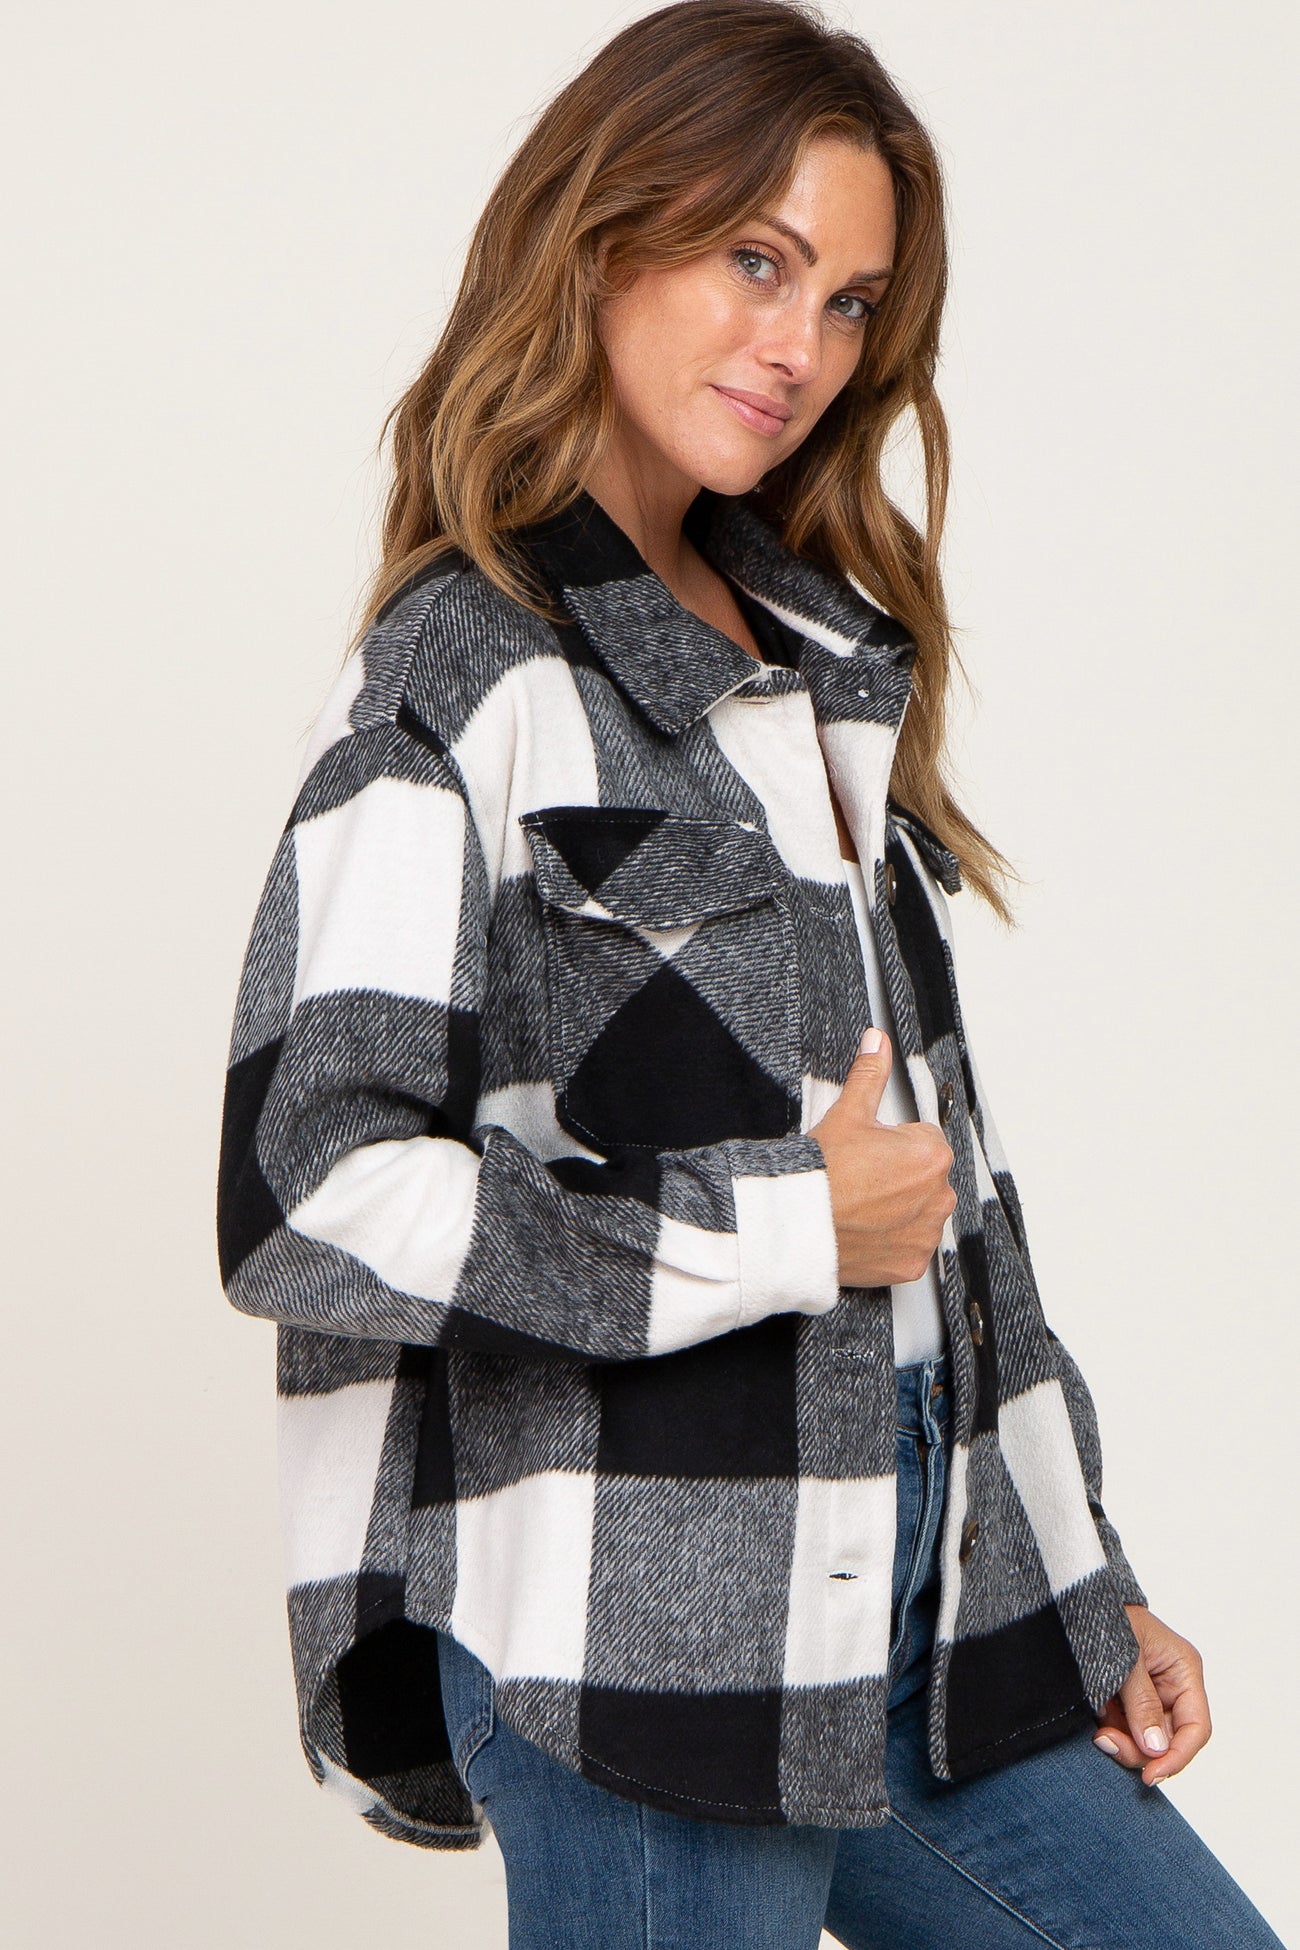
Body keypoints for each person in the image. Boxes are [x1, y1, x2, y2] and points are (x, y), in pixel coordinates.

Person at [215, 3, 1285, 1944]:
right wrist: (787, 1224)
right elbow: (314, 1198)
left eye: (850, 301)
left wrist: (1072, 1573)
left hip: (921, 1593)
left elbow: (942, 1194)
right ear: (602, 238)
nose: (801, 346)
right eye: (754, 260)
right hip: (638, 1627)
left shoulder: (812, 663)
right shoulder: (460, 673)